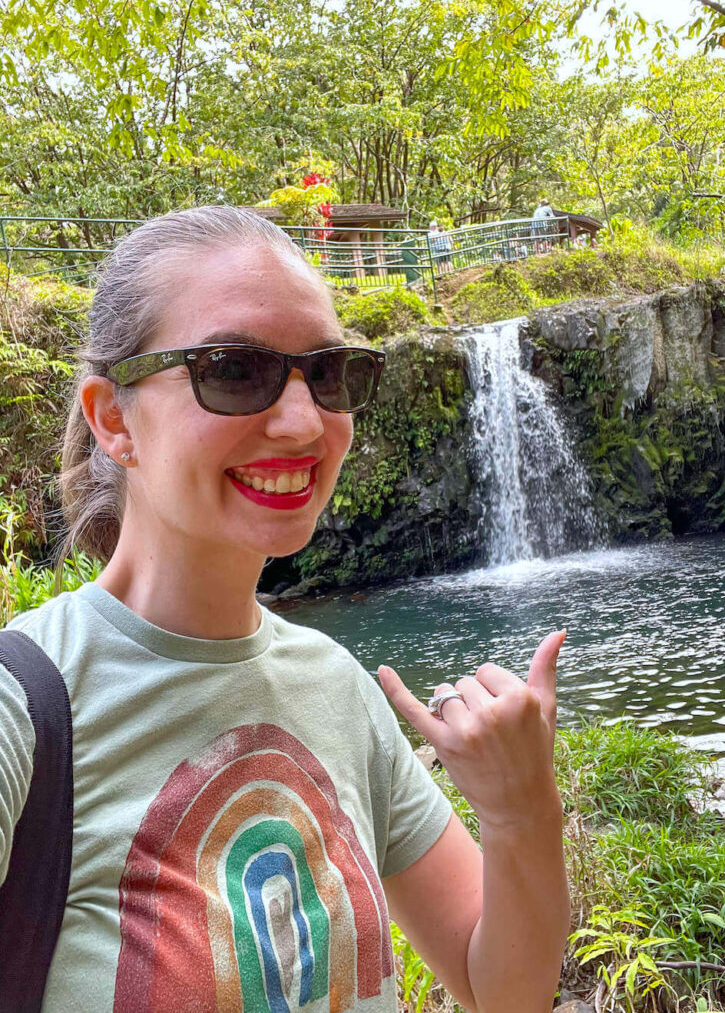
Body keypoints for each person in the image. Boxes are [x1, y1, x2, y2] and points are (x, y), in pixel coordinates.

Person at [0, 206, 569, 1012]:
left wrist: (520, 812)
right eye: (233, 369)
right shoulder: (22, 705)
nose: (306, 423)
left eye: (329, 373)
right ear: (115, 420)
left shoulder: (336, 686)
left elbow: (502, 990)